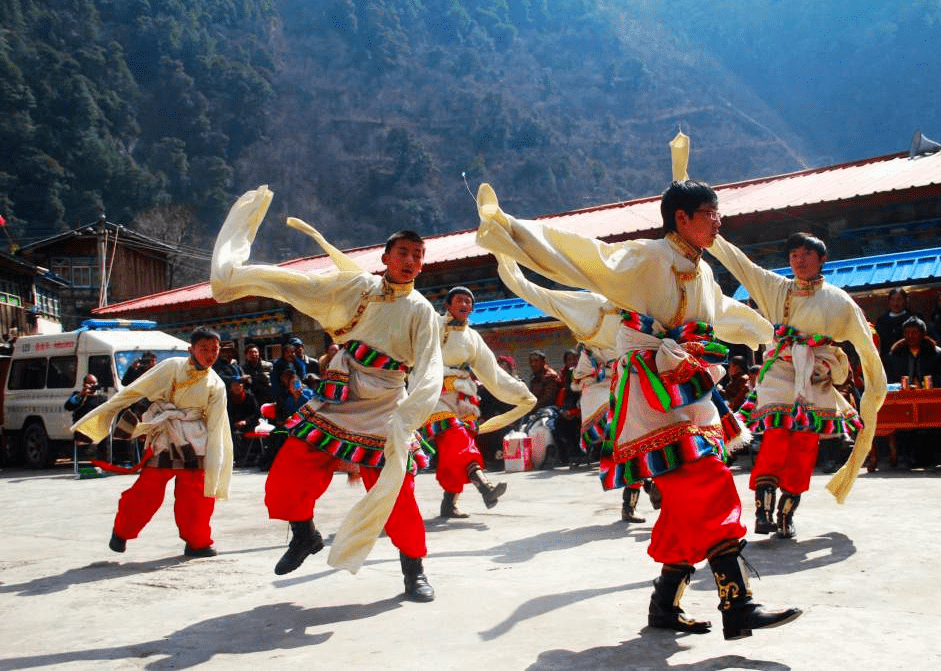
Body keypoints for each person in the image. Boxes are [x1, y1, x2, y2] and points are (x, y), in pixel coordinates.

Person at [477, 179, 800, 640]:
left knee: (684, 509)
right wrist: (507, 226)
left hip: (693, 394)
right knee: (710, 484)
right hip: (652, 398)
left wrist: (764, 330)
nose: (718, 221)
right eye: (709, 212)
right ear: (681, 218)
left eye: (716, 212)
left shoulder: (704, 272)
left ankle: (665, 607)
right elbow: (584, 256)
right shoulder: (646, 258)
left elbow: (724, 313)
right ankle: (738, 602)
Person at [210, 186, 442, 601]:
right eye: (404, 252)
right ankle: (304, 535)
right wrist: (245, 278)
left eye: (418, 256)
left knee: (395, 493)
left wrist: (412, 412)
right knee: (286, 473)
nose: (411, 261)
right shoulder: (358, 287)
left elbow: (430, 366)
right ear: (385, 258)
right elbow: (305, 285)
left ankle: (414, 571)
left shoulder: (421, 310)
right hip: (337, 397)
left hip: (385, 405)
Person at [708, 231, 885, 540]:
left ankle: (786, 515)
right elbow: (741, 264)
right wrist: (710, 236)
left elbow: (865, 342)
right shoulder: (776, 288)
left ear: (821, 259)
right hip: (779, 369)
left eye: (806, 254)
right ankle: (763, 509)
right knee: (776, 435)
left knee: (804, 445)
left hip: (815, 375)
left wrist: (856, 379)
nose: (799, 261)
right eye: (793, 256)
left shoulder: (838, 300)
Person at [494, 252, 657, 523]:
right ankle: (648, 490)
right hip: (605, 394)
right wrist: (510, 268)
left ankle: (640, 496)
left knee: (637, 446)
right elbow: (579, 379)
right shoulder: (591, 306)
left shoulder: (639, 309)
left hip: (634, 387)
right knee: (630, 443)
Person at [70, 326, 232, 558]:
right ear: (191, 349)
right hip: (165, 434)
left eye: (214, 349)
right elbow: (137, 391)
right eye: (204, 348)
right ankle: (122, 531)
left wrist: (218, 457)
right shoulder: (172, 366)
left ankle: (198, 541)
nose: (210, 353)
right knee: (148, 489)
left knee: (196, 494)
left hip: (195, 441)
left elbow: (217, 424)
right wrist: (103, 419)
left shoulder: (217, 384)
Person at [419, 286, 535, 519]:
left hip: (464, 399)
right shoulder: (433, 325)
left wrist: (520, 392)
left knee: (457, 450)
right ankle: (485, 487)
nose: (465, 305)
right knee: (457, 438)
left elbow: (492, 371)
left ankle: (449, 503)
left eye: (469, 302)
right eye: (460, 300)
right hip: (436, 395)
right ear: (448, 305)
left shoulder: (473, 337)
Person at [883, 316, 941, 467]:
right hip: (904, 399)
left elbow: (940, 378)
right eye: (907, 332)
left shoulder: (935, 353)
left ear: (923, 334)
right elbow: (890, 380)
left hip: (929, 398)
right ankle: (905, 456)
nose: (910, 336)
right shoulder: (895, 354)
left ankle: (929, 456)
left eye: (915, 332)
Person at [64, 373, 108, 457]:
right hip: (82, 430)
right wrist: (82, 394)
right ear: (84, 384)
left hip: (97, 429)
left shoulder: (102, 398)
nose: (93, 385)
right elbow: (68, 406)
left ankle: (102, 459)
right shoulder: (78, 395)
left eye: (94, 383)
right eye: (90, 383)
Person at [874, 288, 919, 358]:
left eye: (899, 299)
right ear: (889, 301)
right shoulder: (882, 321)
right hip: (887, 360)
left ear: (905, 301)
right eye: (892, 300)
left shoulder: (912, 319)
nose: (895, 303)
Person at [227, 377, 262, 466]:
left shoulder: (250, 397)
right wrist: (234, 423)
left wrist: (245, 421)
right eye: (234, 385)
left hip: (248, 424)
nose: (237, 387)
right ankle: (237, 458)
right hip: (232, 424)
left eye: (239, 385)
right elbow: (225, 414)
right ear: (231, 387)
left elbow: (257, 413)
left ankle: (251, 458)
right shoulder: (227, 398)